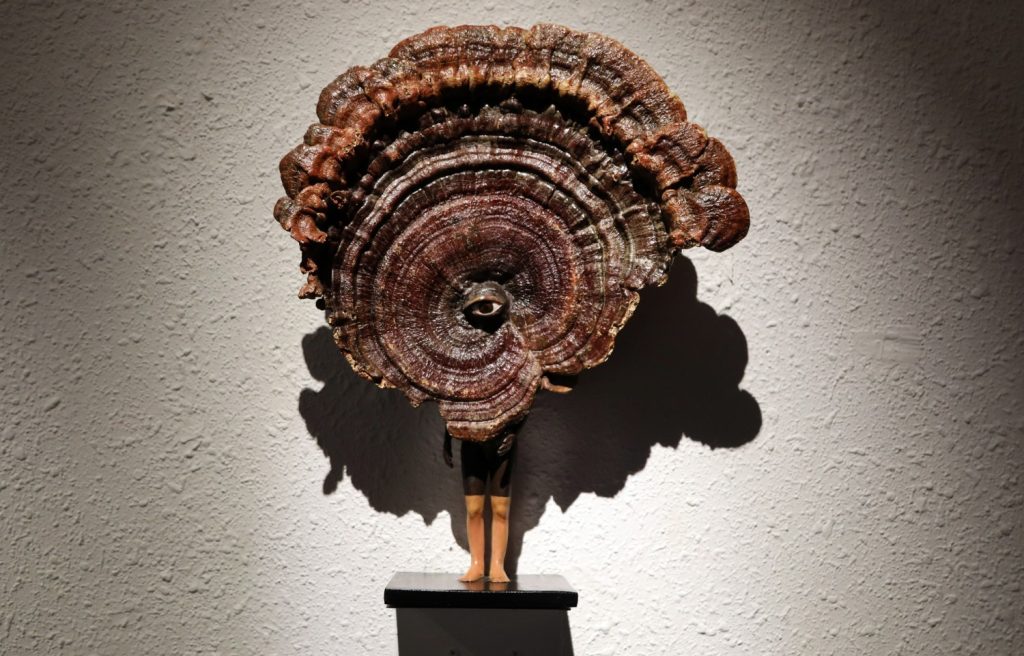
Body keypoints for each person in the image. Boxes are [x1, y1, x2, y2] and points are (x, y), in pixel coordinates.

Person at [443, 420, 521, 583]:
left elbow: (525, 404)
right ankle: (477, 564)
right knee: (473, 509)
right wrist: (447, 437)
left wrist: (515, 431)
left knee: (500, 509)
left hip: (503, 439)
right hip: (471, 440)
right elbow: (451, 405)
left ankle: (497, 565)